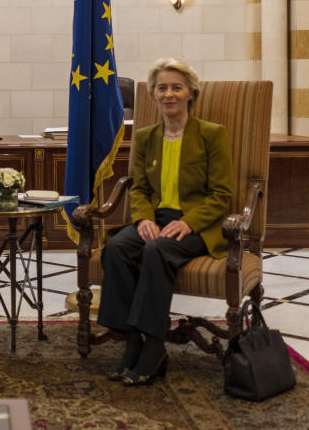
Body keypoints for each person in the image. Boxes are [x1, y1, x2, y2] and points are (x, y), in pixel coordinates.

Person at [98, 58, 233, 386]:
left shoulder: (211, 135)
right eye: (162, 88)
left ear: (190, 93)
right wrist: (142, 217)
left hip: (197, 225)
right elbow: (140, 188)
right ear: (153, 95)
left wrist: (189, 222)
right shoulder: (145, 137)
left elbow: (221, 194)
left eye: (177, 87)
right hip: (156, 218)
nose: (169, 94)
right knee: (116, 247)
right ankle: (131, 341)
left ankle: (154, 346)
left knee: (157, 250)